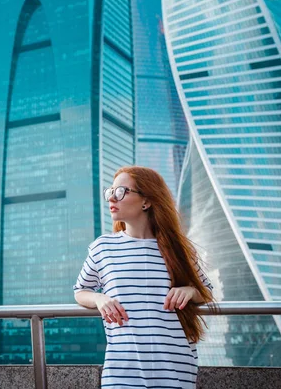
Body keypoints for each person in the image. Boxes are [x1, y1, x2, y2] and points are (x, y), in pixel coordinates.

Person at [73, 166, 214, 389]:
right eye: (110, 191)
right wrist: (100, 300)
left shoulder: (178, 249)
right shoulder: (103, 247)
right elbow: (80, 291)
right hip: (122, 368)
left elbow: (206, 292)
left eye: (121, 191)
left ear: (146, 201)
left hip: (175, 366)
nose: (112, 197)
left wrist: (188, 290)